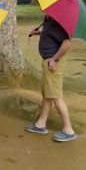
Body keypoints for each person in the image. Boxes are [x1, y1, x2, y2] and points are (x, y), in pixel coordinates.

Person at [25, 14, 77, 142]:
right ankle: (40, 124)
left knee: (55, 96)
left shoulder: (58, 21)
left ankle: (68, 130)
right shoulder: (49, 18)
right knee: (48, 94)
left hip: (53, 64)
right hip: (48, 61)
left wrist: (54, 59)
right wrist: (39, 33)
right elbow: (52, 35)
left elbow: (66, 43)